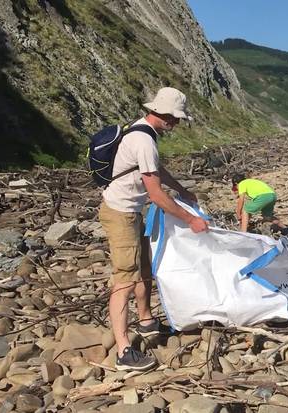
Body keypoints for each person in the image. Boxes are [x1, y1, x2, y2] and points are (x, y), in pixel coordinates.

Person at [99, 87, 209, 371]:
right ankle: (124, 351)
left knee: (144, 267)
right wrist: (191, 219)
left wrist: (182, 189)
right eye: (176, 119)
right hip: (120, 212)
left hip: (131, 211)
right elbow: (156, 195)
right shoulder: (144, 140)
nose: (177, 124)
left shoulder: (142, 131)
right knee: (124, 279)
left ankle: (146, 321)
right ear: (165, 115)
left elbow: (156, 171)